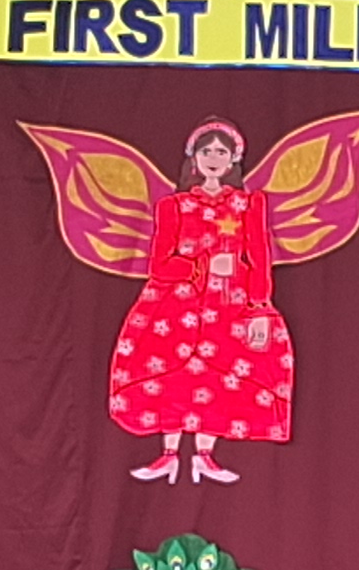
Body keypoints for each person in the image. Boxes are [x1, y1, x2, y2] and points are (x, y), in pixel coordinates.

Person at [113, 121, 291, 483]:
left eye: (221, 152)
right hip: (176, 305)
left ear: (233, 159)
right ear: (193, 158)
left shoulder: (248, 205)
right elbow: (159, 265)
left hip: (231, 303)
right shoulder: (174, 207)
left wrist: (258, 308)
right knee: (172, 372)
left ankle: (205, 455)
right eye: (206, 151)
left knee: (221, 374)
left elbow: (259, 258)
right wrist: (203, 265)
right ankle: (169, 453)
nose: (213, 158)